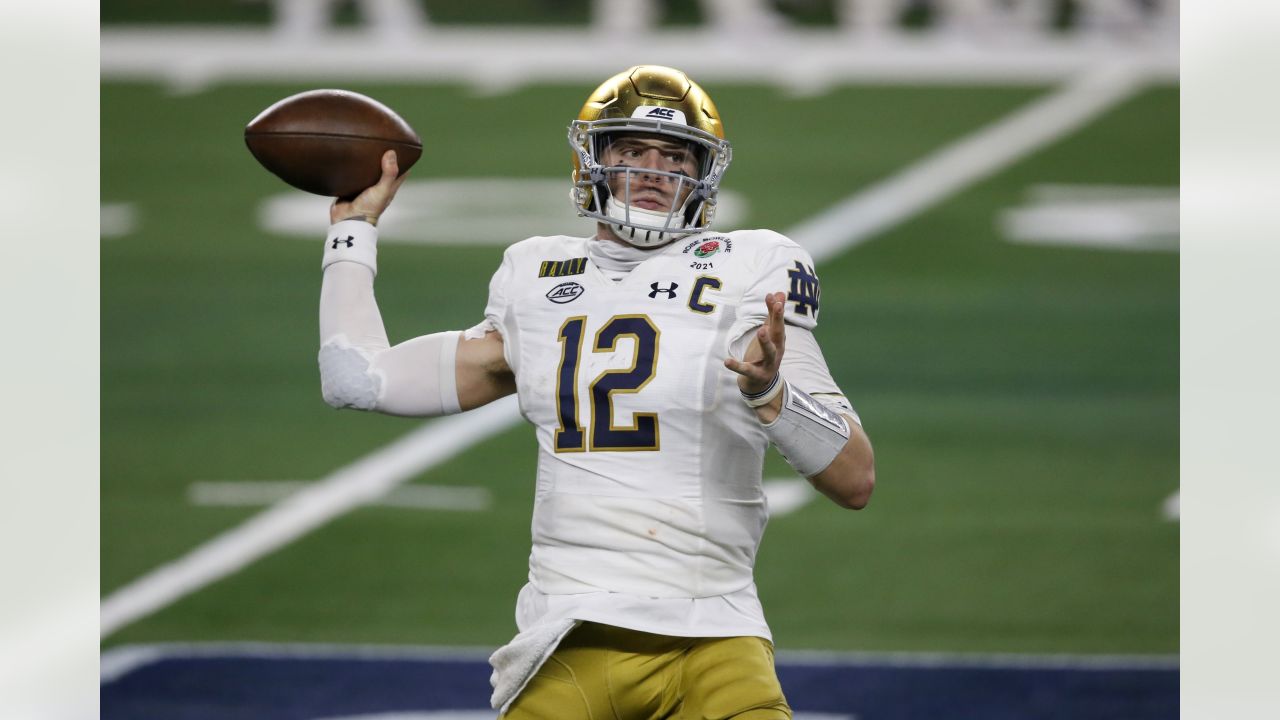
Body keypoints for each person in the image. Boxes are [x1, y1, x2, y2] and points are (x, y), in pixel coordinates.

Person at [316, 65, 875, 719]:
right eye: (631, 150)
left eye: (674, 155)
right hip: (569, 635)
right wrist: (351, 232)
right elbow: (358, 379)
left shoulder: (752, 266)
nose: (654, 168)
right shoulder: (535, 273)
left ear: (705, 174)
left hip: (715, 634)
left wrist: (773, 393)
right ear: (593, 162)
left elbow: (854, 478)